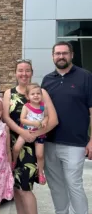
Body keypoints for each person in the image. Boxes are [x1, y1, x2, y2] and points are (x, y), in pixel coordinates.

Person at [41, 41, 92, 214]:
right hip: (50, 142)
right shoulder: (47, 80)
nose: (61, 56)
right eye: (57, 53)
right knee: (56, 186)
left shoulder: (85, 77)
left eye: (64, 53)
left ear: (71, 55)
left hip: (75, 143)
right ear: (53, 56)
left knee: (74, 184)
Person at [2, 59, 58, 214]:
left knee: (25, 188)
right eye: (20, 70)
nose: (24, 74)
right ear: (15, 73)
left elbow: (53, 120)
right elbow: (6, 117)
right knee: (16, 189)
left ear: (32, 73)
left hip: (32, 147)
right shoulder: (9, 93)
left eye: (27, 70)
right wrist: (23, 133)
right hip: (13, 146)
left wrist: (34, 134)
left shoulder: (41, 93)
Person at [12, 83, 48, 185]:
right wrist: (33, 123)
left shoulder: (43, 106)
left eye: (38, 93)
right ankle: (13, 162)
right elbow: (22, 120)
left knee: (40, 155)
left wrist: (45, 121)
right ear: (28, 96)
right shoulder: (26, 106)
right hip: (26, 131)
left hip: (39, 133)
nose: (36, 95)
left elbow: (46, 116)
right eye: (33, 94)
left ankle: (40, 172)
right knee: (16, 148)